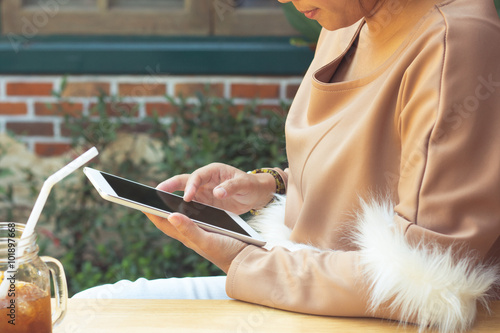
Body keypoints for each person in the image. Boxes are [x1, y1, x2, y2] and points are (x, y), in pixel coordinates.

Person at [76, 0, 500, 331]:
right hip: (301, 283)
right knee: (89, 307)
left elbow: (426, 277)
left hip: (360, 316)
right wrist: (270, 186)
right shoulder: (349, 19)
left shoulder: (455, 41)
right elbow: (378, 169)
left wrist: (243, 260)